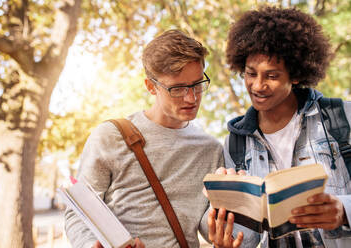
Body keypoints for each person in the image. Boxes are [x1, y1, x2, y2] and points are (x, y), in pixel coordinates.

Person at [65, 30, 240, 248]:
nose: (191, 97)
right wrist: (90, 245)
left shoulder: (211, 150)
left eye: (197, 84)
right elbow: (77, 213)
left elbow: (206, 227)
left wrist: (226, 213)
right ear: (151, 87)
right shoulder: (111, 136)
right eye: (177, 89)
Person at [219, 6, 351, 248]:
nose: (257, 86)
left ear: (296, 75)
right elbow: (246, 237)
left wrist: (344, 211)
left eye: (271, 76)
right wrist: (226, 239)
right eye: (250, 74)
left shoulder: (342, 117)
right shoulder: (235, 144)